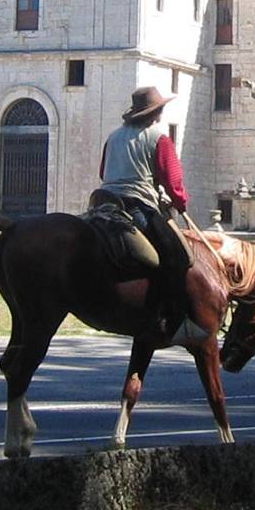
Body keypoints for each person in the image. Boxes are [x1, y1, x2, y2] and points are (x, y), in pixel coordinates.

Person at [94, 85, 194, 340]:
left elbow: (103, 173)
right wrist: (180, 204)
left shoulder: (114, 136)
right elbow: (173, 181)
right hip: (136, 205)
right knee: (178, 257)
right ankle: (172, 317)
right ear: (157, 112)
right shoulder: (158, 138)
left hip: (103, 203)